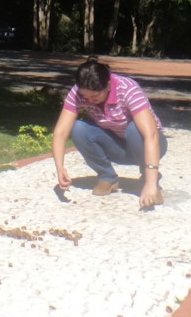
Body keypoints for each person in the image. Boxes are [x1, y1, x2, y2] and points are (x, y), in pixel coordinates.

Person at [51, 56, 167, 209]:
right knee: (78, 128)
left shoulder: (127, 89)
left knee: (133, 129)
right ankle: (107, 177)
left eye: (95, 96)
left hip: (149, 144)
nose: (90, 101)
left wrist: (151, 183)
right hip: (118, 146)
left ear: (108, 85)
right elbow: (60, 132)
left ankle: (149, 179)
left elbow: (151, 134)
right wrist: (60, 168)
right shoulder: (78, 92)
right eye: (86, 96)